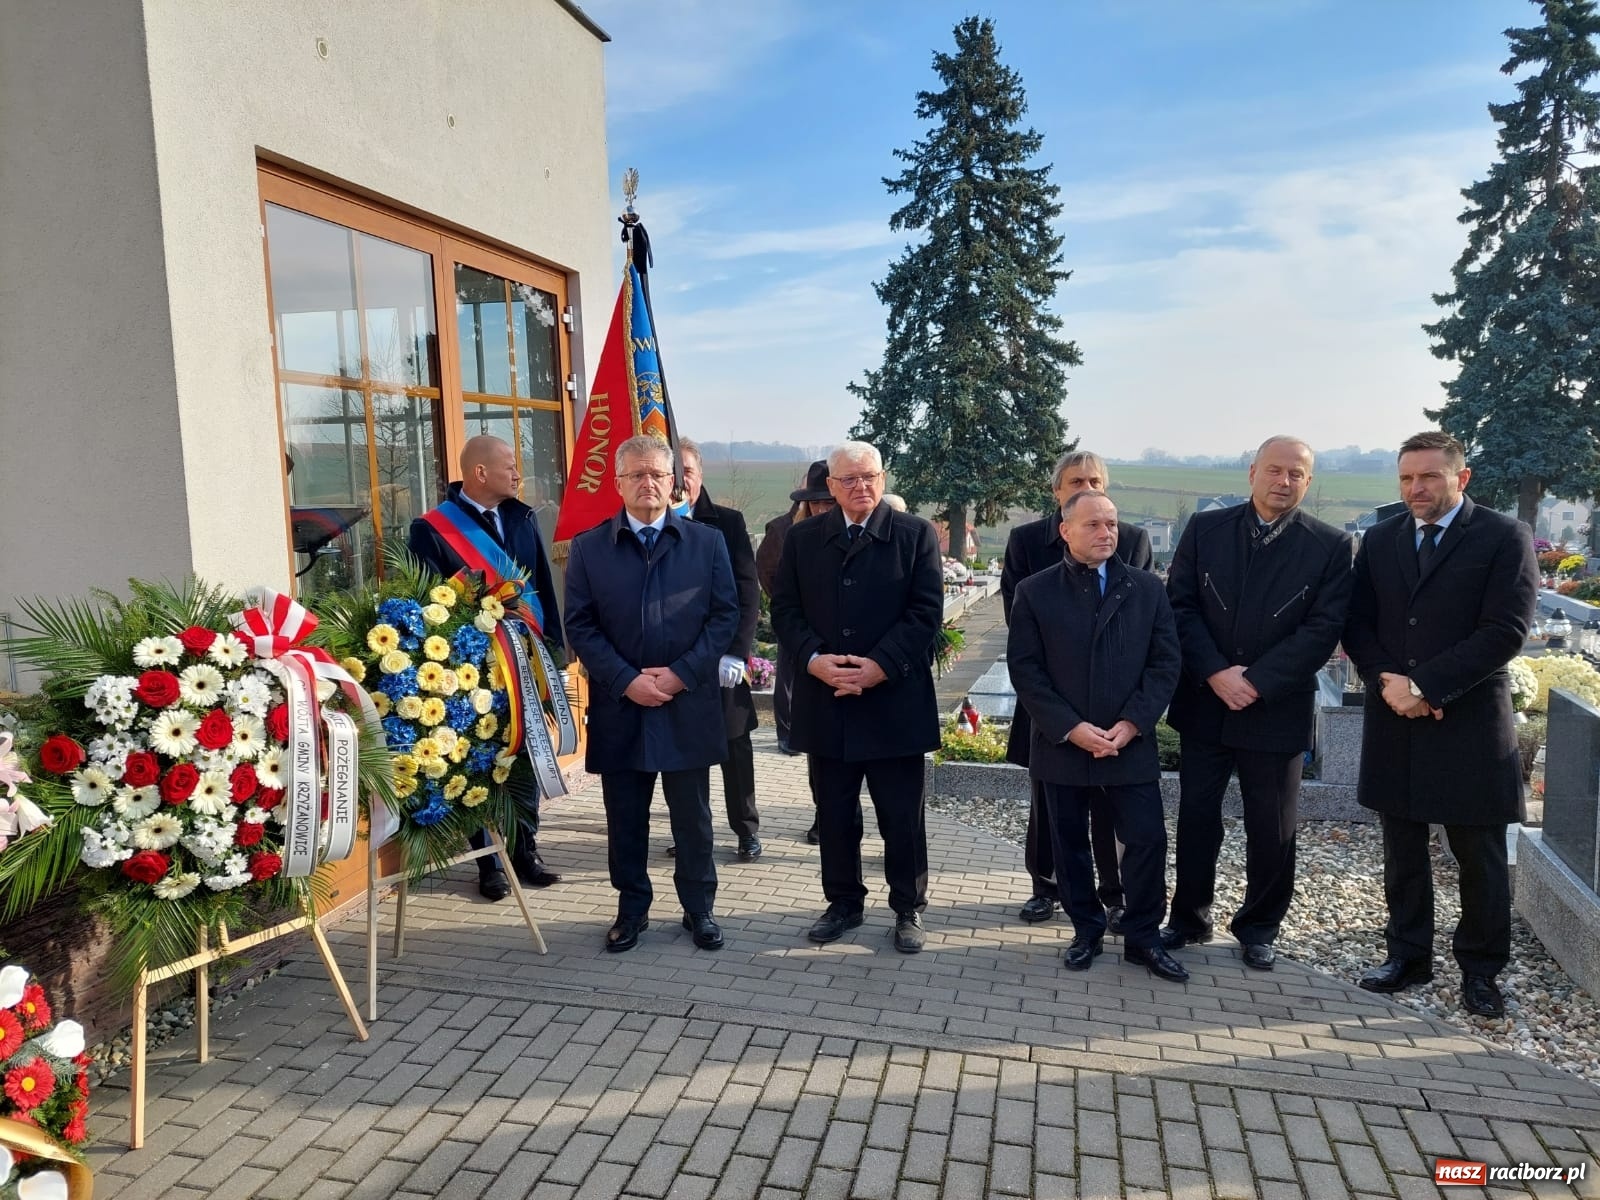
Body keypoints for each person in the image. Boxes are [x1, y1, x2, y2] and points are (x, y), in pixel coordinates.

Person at [1343, 431, 1537, 1017]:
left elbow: (1505, 630)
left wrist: (1425, 686)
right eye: (1406, 478)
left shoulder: (1505, 537)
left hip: (1469, 717)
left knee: (1476, 853)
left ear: (1462, 477)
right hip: (1394, 713)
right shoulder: (1380, 539)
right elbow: (1357, 624)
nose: (1416, 489)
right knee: (1402, 845)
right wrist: (1389, 684)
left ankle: (1481, 971)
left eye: (1428, 477)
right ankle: (1407, 954)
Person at [1160, 437, 1353, 970]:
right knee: (1198, 816)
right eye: (1274, 469)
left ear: (1308, 482)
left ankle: (1260, 925)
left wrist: (1259, 681)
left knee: (1272, 826)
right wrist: (1217, 672)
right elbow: (1180, 606)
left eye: (1296, 473)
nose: (1283, 481)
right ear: (1251, 473)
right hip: (1206, 701)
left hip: (1276, 707)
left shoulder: (1330, 545)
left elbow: (1323, 628)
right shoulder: (1206, 529)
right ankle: (1189, 918)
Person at [563, 435, 741, 953]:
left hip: (687, 705)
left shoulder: (706, 543)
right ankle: (631, 910)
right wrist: (626, 680)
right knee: (626, 818)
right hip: (623, 708)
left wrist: (681, 674)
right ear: (617, 483)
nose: (648, 483)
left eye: (658, 475)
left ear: (674, 483)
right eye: (636, 475)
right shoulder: (591, 547)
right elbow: (581, 624)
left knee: (693, 819)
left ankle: (699, 909)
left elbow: (723, 616)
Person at [1007, 491, 1186, 981]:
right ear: (1066, 530)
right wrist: (1070, 728)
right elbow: (1026, 669)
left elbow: (1165, 663)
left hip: (1128, 742)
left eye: (1111, 524)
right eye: (1093, 525)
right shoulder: (1035, 592)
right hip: (1064, 744)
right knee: (1068, 844)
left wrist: (1132, 723)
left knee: (1147, 839)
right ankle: (1086, 929)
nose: (1107, 533)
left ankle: (1144, 937)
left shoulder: (1148, 589)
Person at [771, 440, 943, 953]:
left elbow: (925, 612)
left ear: (883, 480)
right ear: (830, 486)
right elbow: (785, 611)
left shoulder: (915, 535)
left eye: (869, 477)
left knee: (901, 818)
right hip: (828, 701)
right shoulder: (803, 540)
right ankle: (842, 902)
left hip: (893, 702)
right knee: (836, 815)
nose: (860, 487)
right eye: (848, 479)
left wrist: (879, 667)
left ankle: (908, 907)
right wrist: (814, 659)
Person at [1001, 451, 1153, 930]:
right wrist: (1066, 717)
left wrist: (1124, 716)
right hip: (1053, 707)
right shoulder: (1028, 542)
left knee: (1114, 811)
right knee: (1052, 810)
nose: (1085, 485)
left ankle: (1113, 893)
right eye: (1075, 480)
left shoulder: (1131, 541)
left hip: (1117, 710)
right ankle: (1047, 888)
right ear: (1057, 492)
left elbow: (1144, 628)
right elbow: (1019, 626)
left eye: (1095, 480)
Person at [408, 434, 563, 901]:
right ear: (480, 473)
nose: (518, 474)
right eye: (510, 466)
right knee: (476, 763)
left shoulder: (521, 517)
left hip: (524, 661)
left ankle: (525, 849)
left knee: (524, 753)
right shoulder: (433, 528)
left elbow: (542, 592)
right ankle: (487, 861)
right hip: (473, 669)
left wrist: (554, 649)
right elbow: (427, 604)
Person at [666, 438, 763, 862]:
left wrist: (737, 653)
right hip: (675, 664)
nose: (680, 479)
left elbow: (747, 593)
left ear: (700, 475)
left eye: (687, 470)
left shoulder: (727, 522)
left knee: (734, 747)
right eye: (673, 471)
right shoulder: (652, 524)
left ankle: (746, 829)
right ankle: (691, 831)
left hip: (722, 659)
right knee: (684, 756)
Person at [756, 460, 834, 762]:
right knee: (788, 676)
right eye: (816, 503)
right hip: (793, 617)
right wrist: (788, 604)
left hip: (826, 620)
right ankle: (787, 733)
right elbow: (767, 571)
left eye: (828, 502)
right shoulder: (782, 528)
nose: (823, 509)